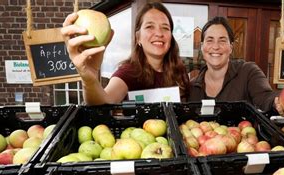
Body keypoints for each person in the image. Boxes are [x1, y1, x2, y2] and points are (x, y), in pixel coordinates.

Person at [61, 3, 189, 105]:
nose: (159, 33)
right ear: (138, 37)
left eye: (165, 28)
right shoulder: (128, 72)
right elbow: (105, 100)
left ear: (171, 37)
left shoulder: (179, 71)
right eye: (150, 26)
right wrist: (89, 80)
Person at [189, 16, 284, 121]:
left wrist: (282, 101)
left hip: (243, 142)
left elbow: (265, 97)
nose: (215, 47)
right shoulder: (192, 87)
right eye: (210, 40)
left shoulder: (248, 72)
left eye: (222, 40)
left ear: (231, 47)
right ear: (202, 47)